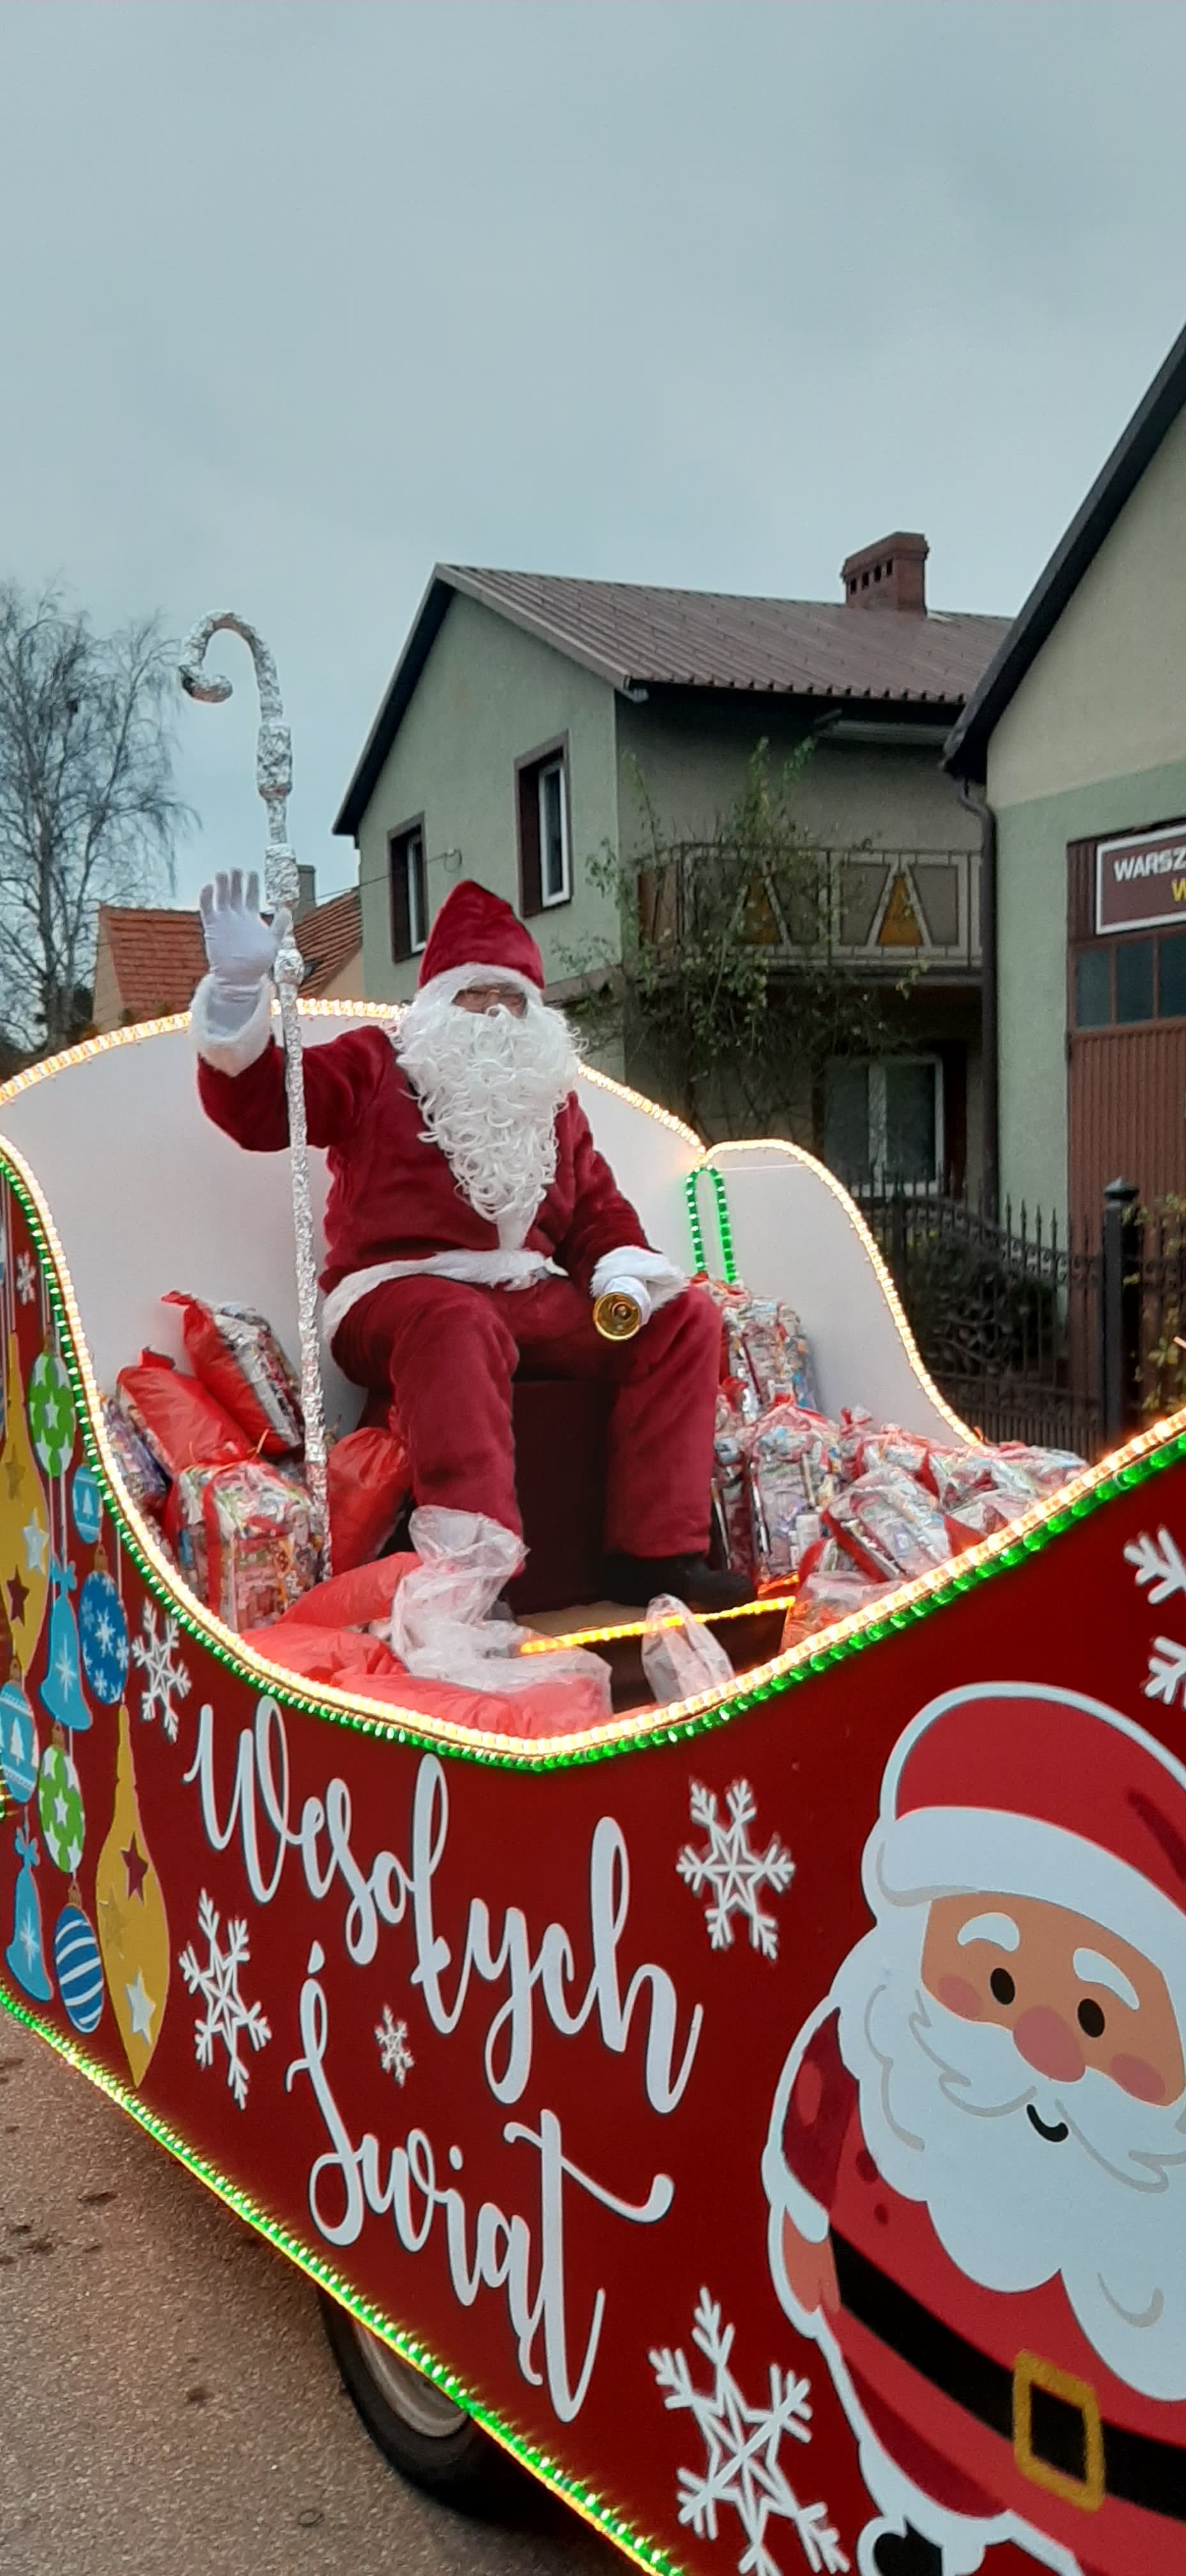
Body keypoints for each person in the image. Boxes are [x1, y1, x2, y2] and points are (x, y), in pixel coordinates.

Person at [191, 869, 748, 1614]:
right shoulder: (375, 1063)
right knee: (455, 1320)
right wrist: (236, 995)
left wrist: (620, 1272)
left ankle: (656, 1556)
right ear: (435, 1003)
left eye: (511, 999)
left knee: (684, 1319)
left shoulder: (550, 1102)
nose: (493, 1015)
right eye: (474, 995)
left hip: (527, 1293)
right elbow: (266, 1109)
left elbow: (595, 1211)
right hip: (396, 1292)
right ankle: (473, 1579)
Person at [762, 1682, 1186, 2576]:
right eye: (998, 1985)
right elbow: (823, 2103)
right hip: (903, 2345)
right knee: (925, 2458)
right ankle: (924, 2536)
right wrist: (806, 2220)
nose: (1043, 2046)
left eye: (1096, 2019)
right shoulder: (891, 2048)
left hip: (1124, 2468)